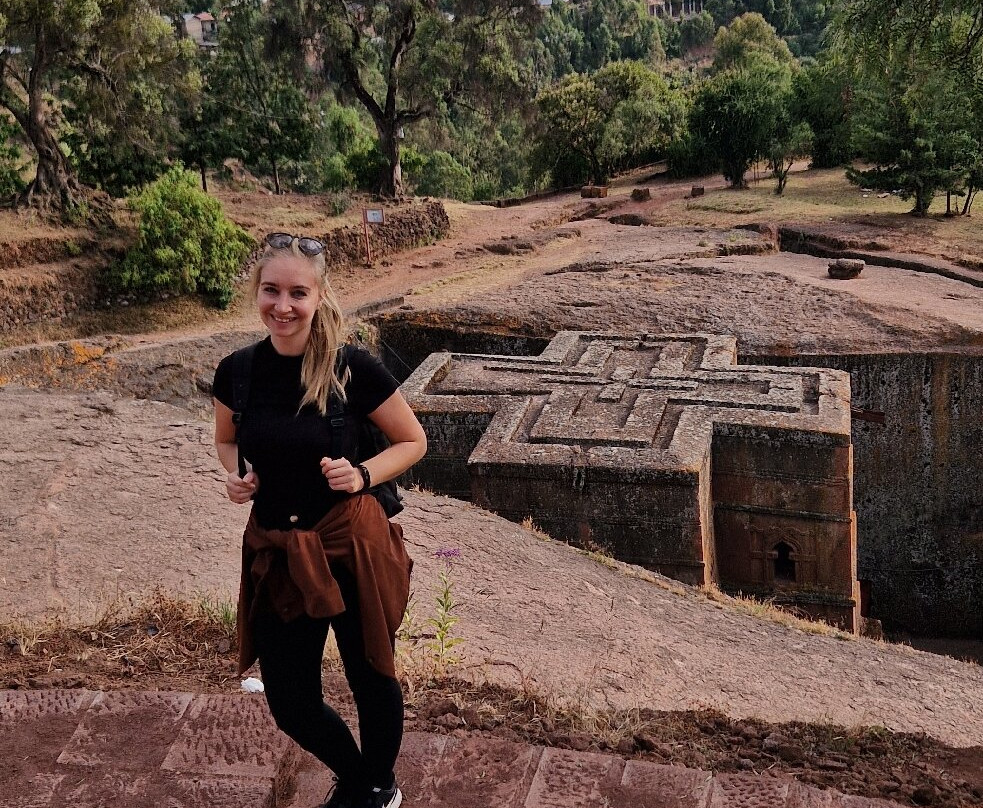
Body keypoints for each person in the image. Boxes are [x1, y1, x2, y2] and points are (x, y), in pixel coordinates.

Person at [212, 232, 426, 808]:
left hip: (348, 542)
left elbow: (412, 441)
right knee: (289, 697)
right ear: (256, 293)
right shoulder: (236, 372)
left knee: (371, 674)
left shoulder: (352, 369)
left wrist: (362, 474)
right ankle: (358, 776)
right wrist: (240, 474)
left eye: (297, 293)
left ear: (319, 295)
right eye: (271, 290)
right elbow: (227, 440)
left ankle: (378, 789)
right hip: (280, 548)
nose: (283, 306)